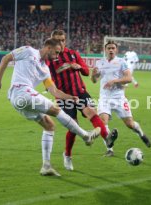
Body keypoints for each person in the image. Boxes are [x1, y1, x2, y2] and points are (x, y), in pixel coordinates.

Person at [0, 38, 101, 176]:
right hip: (20, 92)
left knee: (49, 126)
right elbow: (6, 58)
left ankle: (46, 166)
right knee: (56, 110)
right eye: (56, 52)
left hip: (23, 101)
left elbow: (54, 91)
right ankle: (85, 136)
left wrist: (70, 97)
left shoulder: (45, 69)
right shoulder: (28, 51)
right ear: (48, 48)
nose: (57, 56)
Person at [47, 30, 117, 165]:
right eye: (57, 40)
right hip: (64, 97)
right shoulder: (49, 59)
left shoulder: (73, 54)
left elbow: (86, 71)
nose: (60, 43)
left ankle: (107, 138)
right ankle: (67, 155)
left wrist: (78, 66)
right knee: (74, 127)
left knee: (92, 113)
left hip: (80, 92)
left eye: (62, 40)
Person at [91, 40, 151, 156]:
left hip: (119, 97)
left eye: (113, 48)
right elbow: (94, 81)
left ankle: (141, 133)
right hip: (104, 97)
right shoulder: (100, 63)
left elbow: (128, 78)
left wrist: (115, 81)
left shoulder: (121, 62)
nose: (111, 50)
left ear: (116, 50)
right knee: (103, 122)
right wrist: (93, 75)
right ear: (105, 50)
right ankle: (110, 149)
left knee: (130, 124)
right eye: (109, 48)